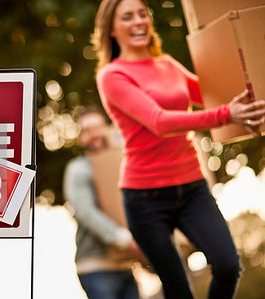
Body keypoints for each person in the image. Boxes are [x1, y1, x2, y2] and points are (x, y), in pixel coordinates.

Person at [92, 0, 265, 298]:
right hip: (145, 198)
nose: (138, 22)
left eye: (142, 14)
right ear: (111, 29)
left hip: (191, 186)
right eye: (128, 17)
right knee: (178, 289)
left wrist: (253, 88)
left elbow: (213, 92)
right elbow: (158, 121)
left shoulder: (167, 65)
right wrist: (226, 115)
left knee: (227, 264)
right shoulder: (112, 76)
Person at [63, 106, 141, 299]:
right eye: (87, 130)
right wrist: (123, 239)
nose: (93, 134)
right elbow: (85, 211)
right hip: (96, 266)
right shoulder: (78, 169)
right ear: (81, 138)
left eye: (97, 127)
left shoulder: (123, 164)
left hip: (126, 264)